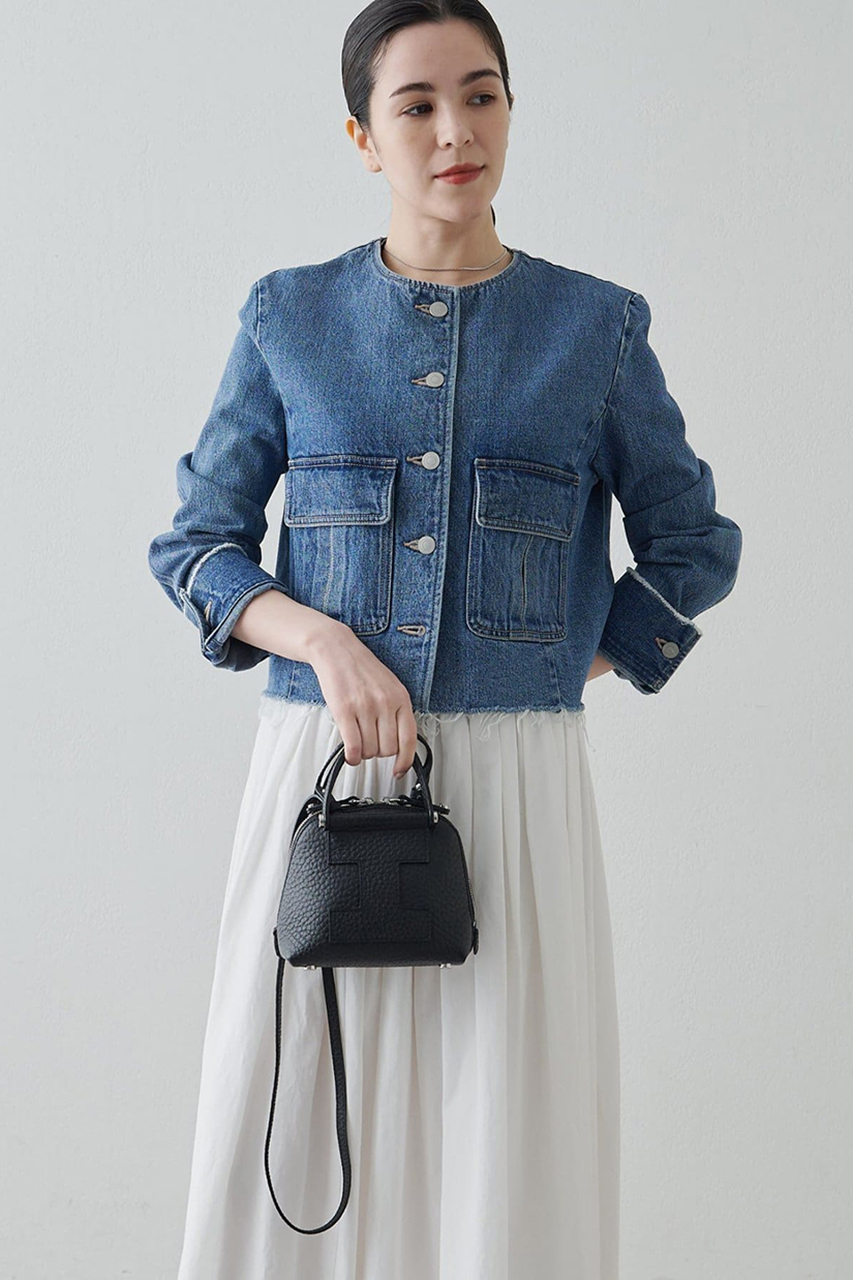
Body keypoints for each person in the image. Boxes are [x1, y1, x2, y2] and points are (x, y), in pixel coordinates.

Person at [147, 2, 743, 1276]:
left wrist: (559, 660)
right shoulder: (289, 316)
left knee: (503, 1125)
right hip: (321, 773)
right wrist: (323, 641)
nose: (454, 130)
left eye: (480, 95)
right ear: (363, 137)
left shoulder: (597, 328)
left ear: (511, 112)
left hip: (517, 791)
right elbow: (197, 549)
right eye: (415, 105)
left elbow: (692, 546)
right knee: (296, 1109)